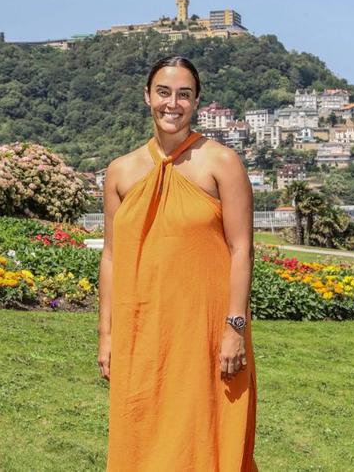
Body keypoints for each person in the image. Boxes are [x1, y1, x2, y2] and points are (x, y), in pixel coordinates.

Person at [98, 56, 258, 471]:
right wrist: (107, 334)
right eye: (164, 92)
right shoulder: (120, 172)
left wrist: (234, 327)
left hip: (206, 332)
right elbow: (112, 257)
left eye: (184, 94)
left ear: (197, 101)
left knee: (204, 439)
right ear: (147, 97)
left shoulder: (221, 162)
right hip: (142, 333)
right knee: (144, 437)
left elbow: (242, 250)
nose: (173, 103)